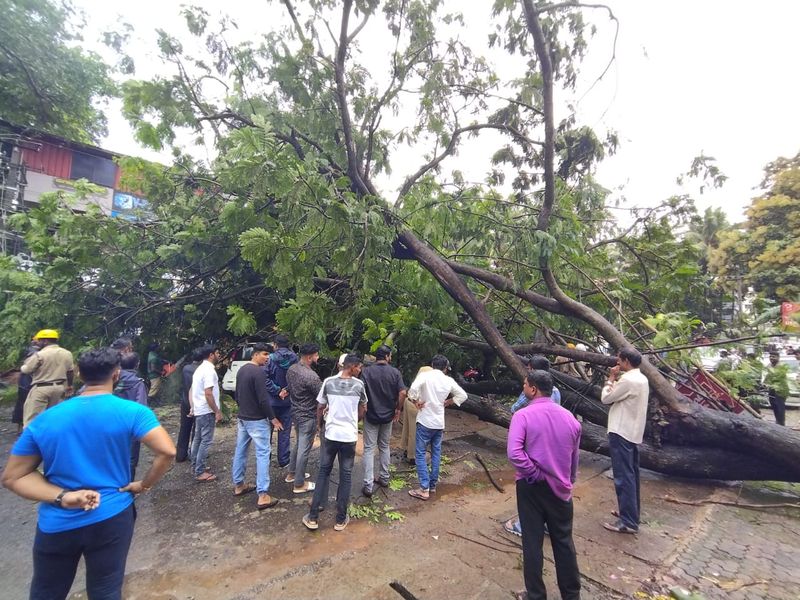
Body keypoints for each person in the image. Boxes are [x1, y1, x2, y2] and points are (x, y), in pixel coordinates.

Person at [2, 347, 175, 600]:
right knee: (105, 589)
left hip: (57, 522)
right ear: (116, 375)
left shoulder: (46, 419)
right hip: (112, 513)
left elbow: (13, 477)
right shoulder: (133, 412)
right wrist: (143, 484)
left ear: (80, 374)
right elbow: (167, 452)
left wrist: (63, 496)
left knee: (46, 591)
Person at [508, 370, 582, 600]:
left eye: (525, 384)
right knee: (563, 541)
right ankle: (571, 594)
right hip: (561, 489)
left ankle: (536, 594)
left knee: (532, 541)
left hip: (532, 487)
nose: (523, 388)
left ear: (533, 389)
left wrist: (535, 472)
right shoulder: (570, 418)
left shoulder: (523, 416)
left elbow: (514, 453)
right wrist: (568, 480)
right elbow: (574, 456)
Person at [302, 354, 367, 532]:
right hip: (348, 437)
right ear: (351, 366)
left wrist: (319, 425)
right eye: (359, 367)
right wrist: (355, 420)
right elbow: (363, 408)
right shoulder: (359, 385)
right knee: (345, 475)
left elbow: (320, 406)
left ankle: (313, 517)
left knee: (324, 472)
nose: (360, 370)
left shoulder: (328, 382)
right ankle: (340, 519)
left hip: (331, 435)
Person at [505, 355, 561, 537]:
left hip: (534, 444)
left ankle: (524, 526)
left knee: (530, 489)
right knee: (548, 489)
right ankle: (545, 523)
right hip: (551, 447)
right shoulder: (556, 392)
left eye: (529, 369)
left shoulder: (530, 391)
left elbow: (514, 409)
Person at [601, 347, 649, 534]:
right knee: (632, 474)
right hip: (633, 431)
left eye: (619, 361)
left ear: (627, 361)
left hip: (621, 431)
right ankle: (630, 513)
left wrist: (611, 379)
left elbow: (606, 398)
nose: (617, 364)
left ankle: (628, 522)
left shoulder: (628, 380)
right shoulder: (642, 378)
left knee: (623, 476)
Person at [407, 354, 467, 501]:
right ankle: (432, 485)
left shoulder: (425, 376)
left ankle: (424, 488)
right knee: (436, 454)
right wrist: (449, 401)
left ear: (432, 365)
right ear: (445, 368)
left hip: (425, 420)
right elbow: (463, 395)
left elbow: (413, 389)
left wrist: (415, 401)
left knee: (420, 454)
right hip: (439, 422)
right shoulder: (448, 380)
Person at [232, 342, 284, 509]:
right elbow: (263, 399)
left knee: (241, 450)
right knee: (263, 454)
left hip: (243, 417)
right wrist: (273, 418)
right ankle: (263, 495)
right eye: (264, 354)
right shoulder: (259, 372)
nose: (267, 358)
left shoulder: (242, 369)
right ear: (255, 354)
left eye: (268, 355)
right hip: (257, 420)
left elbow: (237, 394)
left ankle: (239, 485)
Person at [360, 345, 407, 497]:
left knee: (368, 449)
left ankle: (368, 484)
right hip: (388, 416)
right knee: (384, 446)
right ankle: (384, 478)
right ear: (387, 356)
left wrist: (362, 409)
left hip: (371, 415)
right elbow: (402, 392)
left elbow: (361, 393)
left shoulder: (366, 372)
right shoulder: (395, 372)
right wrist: (398, 409)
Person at [285, 343, 323, 493]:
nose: (318, 357)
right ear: (309, 357)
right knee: (304, 448)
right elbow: (322, 396)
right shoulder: (311, 376)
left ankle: (292, 473)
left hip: (295, 412)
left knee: (298, 444)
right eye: (316, 355)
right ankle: (299, 484)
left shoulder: (291, 369)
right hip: (308, 415)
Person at [21, 329, 74, 427]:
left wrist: (24, 365)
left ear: (45, 341)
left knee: (32, 419)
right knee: (53, 417)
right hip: (59, 389)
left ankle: (32, 441)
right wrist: (69, 386)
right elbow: (70, 372)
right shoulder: (67, 353)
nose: (37, 342)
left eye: (39, 340)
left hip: (41, 389)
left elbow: (26, 370)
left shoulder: (40, 354)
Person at [190, 344, 222, 482]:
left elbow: (192, 390)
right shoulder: (209, 371)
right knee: (206, 441)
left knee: (198, 439)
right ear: (211, 355)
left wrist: (193, 407)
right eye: (217, 352)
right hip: (206, 410)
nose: (219, 355)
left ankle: (196, 465)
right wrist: (217, 411)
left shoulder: (199, 369)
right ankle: (200, 471)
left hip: (199, 409)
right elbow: (208, 393)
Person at [113, 352, 148, 479]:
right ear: (137, 365)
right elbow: (141, 408)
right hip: (130, 428)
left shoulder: (111, 380)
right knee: (130, 461)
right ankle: (127, 490)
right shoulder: (138, 383)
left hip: (110, 425)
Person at [265, 334, 298, 468]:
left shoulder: (270, 359)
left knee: (267, 430)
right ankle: (284, 459)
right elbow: (296, 378)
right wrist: (286, 390)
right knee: (285, 431)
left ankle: (265, 458)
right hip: (287, 401)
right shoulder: (294, 358)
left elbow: (265, 378)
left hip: (271, 401)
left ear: (275, 345)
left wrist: (277, 390)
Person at [400, 366, 431, 465]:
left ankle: (406, 449)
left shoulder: (417, 381)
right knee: (415, 431)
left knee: (407, 428)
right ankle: (413, 457)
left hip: (408, 402)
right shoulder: (427, 382)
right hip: (415, 405)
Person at [176, 348, 201, 463]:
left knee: (184, 429)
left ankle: (180, 455)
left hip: (185, 401)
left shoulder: (186, 368)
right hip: (197, 402)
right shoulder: (201, 370)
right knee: (196, 430)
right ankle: (194, 454)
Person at [12, 337, 41, 432]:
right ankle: (25, 428)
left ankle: (20, 428)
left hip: (25, 382)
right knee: (27, 405)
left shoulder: (28, 349)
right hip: (28, 381)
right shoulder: (35, 352)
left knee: (21, 404)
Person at [764, 351, 789, 426]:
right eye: (770, 356)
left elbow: (778, 376)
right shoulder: (769, 365)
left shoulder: (782, 365)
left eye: (773, 356)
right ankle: (777, 421)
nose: (771, 358)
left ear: (778, 357)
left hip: (781, 389)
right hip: (772, 388)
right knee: (773, 405)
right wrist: (764, 383)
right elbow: (768, 376)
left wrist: (770, 381)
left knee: (780, 406)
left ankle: (781, 423)